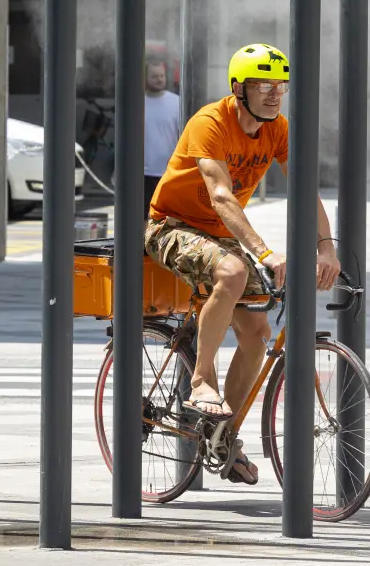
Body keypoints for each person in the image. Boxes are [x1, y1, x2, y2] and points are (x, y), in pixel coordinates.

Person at [145, 43, 342, 485]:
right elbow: (219, 195)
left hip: (217, 235)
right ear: (238, 88)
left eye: (280, 86)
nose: (274, 95)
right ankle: (199, 383)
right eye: (263, 85)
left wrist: (326, 247)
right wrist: (265, 252)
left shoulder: (278, 129)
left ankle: (222, 436)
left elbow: (304, 188)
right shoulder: (210, 122)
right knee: (232, 271)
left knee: (257, 333)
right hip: (171, 226)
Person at [144, 60, 181, 220]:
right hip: (142, 173)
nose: (159, 79)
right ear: (145, 78)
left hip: (169, 172)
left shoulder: (176, 102)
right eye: (154, 76)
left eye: (161, 75)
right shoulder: (137, 102)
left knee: (168, 218)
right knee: (143, 217)